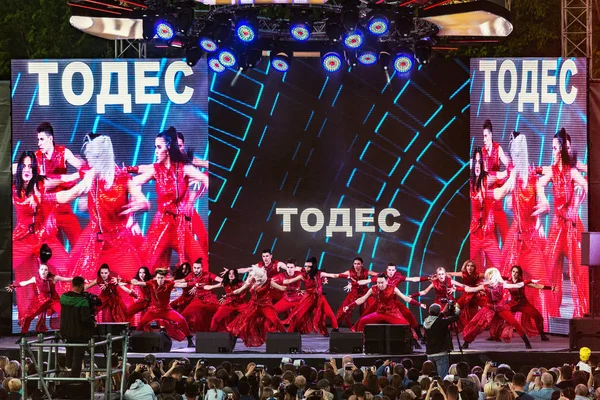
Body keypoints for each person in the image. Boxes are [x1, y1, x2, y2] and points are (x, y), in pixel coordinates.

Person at [12, 151, 89, 320]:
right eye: (23, 166)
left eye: (30, 166)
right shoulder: (14, 188)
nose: (27, 169)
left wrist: (84, 175)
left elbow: (64, 181)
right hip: (22, 239)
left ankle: (72, 314)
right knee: (22, 279)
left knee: (67, 268)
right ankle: (26, 323)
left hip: (43, 238)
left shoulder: (42, 184)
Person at [69, 133, 148, 280]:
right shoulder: (89, 176)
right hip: (97, 234)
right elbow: (81, 206)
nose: (89, 159)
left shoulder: (123, 178)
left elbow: (143, 202)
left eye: (92, 154)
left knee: (136, 284)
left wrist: (138, 207)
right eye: (88, 155)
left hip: (119, 238)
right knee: (80, 273)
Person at [132, 127, 209, 271]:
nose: (155, 151)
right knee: (144, 266)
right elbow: (134, 182)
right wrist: (135, 208)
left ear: (168, 148)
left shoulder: (184, 168)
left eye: (158, 147)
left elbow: (205, 179)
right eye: (155, 147)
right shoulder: (156, 169)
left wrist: (192, 198)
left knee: (201, 262)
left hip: (180, 224)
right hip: (161, 224)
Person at [494, 132, 550, 328]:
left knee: (540, 285)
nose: (515, 157)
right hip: (517, 242)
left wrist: (540, 210)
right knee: (509, 284)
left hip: (531, 241)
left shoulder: (533, 179)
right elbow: (498, 194)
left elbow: (545, 204)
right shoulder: (514, 177)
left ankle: (542, 327)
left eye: (518, 154)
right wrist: (483, 181)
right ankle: (510, 325)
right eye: (514, 154)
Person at [537, 128, 589, 318]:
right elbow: (539, 183)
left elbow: (585, 184)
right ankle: (549, 313)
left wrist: (576, 203)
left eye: (555, 148)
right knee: (549, 267)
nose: (553, 151)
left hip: (572, 225)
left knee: (579, 269)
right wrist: (543, 200)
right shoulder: (552, 170)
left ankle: (582, 313)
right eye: (552, 147)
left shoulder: (573, 170)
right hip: (557, 226)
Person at [6, 244, 72, 338]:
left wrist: (81, 280)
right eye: (42, 269)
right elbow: (24, 283)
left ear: (48, 271)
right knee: (28, 317)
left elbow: (68, 279)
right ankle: (22, 336)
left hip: (53, 301)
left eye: (45, 270)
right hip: (40, 301)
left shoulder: (54, 278)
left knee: (64, 312)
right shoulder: (35, 278)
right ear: (39, 270)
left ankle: (64, 333)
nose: (43, 272)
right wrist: (14, 285)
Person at [34, 122, 84, 246]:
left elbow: (83, 169)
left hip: (62, 204)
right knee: (53, 246)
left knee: (78, 239)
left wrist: (68, 178)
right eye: (38, 140)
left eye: (41, 139)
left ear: (50, 138)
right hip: (46, 207)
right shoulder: (36, 156)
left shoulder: (63, 152)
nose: (38, 143)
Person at [355, 263, 429, 343]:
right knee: (364, 316)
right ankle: (360, 340)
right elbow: (366, 281)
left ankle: (417, 337)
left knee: (408, 314)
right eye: (389, 270)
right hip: (380, 303)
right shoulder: (380, 278)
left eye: (393, 270)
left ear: (395, 270)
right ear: (387, 270)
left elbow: (413, 279)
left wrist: (427, 278)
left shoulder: (397, 278)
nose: (391, 272)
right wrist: (354, 283)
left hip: (393, 303)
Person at [461, 268, 531, 349]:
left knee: (514, 322)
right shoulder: (485, 286)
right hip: (489, 307)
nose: (488, 277)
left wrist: (530, 281)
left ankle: (526, 341)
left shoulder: (502, 284)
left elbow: (517, 285)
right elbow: (471, 289)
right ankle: (466, 342)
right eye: (488, 276)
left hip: (500, 307)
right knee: (477, 323)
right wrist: (460, 288)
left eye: (490, 275)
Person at [130, 268, 195, 347]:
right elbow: (138, 283)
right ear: (156, 277)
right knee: (141, 324)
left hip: (166, 310)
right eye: (158, 278)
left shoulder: (169, 283)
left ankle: (189, 340)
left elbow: (180, 284)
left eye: (161, 278)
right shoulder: (151, 283)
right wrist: (129, 280)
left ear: (164, 278)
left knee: (182, 320)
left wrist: (195, 284)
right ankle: (134, 343)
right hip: (153, 311)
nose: (159, 280)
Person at [227, 266, 288, 347]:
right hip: (253, 305)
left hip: (265, 305)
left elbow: (282, 288)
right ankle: (230, 342)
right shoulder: (251, 280)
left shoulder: (268, 281)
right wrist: (228, 295)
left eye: (260, 279)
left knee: (275, 320)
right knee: (242, 321)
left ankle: (287, 337)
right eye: (257, 278)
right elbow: (239, 290)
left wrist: (295, 289)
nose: (259, 280)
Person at [347, 273, 426, 332]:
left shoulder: (393, 288)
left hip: (392, 313)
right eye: (378, 282)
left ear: (386, 281)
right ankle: (362, 342)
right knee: (362, 321)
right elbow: (362, 299)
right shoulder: (373, 289)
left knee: (406, 325)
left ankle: (413, 341)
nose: (380, 285)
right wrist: (349, 306)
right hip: (379, 313)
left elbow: (405, 298)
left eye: (382, 283)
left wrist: (419, 304)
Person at [285, 257, 343, 336]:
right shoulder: (303, 275)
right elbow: (289, 279)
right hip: (308, 298)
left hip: (319, 298)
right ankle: (292, 331)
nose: (307, 268)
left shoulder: (319, 274)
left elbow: (334, 275)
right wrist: (272, 281)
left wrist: (346, 276)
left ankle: (335, 329)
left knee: (328, 313)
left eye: (309, 266)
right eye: (305, 266)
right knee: (298, 314)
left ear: (313, 267)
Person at [469, 147, 501, 270]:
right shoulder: (470, 183)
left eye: (479, 162)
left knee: (500, 265)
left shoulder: (487, 179)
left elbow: (502, 175)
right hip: (475, 233)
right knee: (470, 267)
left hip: (488, 234)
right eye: (475, 162)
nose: (477, 165)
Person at [59, 276, 96, 378]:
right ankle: (74, 380)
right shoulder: (83, 301)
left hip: (66, 333)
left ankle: (67, 379)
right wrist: (93, 323)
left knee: (69, 357)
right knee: (77, 358)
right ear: (81, 286)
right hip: (79, 335)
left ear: (72, 285)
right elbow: (85, 319)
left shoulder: (63, 298)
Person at [480, 119, 510, 244]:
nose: (484, 139)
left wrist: (501, 175)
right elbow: (482, 174)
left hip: (497, 197)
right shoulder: (481, 152)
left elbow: (509, 165)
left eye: (486, 136)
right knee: (490, 237)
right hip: (487, 197)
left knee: (505, 234)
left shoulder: (498, 149)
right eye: (483, 136)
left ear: (491, 135)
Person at [335, 257, 379, 328]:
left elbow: (379, 275)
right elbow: (338, 275)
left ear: (362, 264)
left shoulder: (366, 271)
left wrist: (389, 275)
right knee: (345, 308)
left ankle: (366, 327)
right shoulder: (350, 272)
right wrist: (324, 277)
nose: (356, 266)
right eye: (355, 264)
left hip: (365, 292)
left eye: (358, 264)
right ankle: (336, 326)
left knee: (369, 308)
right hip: (354, 292)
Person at [180, 258, 222, 332]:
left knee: (221, 314)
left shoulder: (208, 274)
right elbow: (181, 281)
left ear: (202, 268)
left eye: (198, 268)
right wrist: (167, 281)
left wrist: (212, 286)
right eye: (195, 268)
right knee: (184, 314)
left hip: (210, 299)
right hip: (198, 300)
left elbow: (222, 281)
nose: (196, 270)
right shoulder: (191, 275)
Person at [423, 302, 461, 382]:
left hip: (430, 354)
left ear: (429, 312)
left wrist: (443, 312)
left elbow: (436, 320)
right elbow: (455, 317)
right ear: (438, 312)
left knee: (430, 379)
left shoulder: (426, 321)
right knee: (442, 379)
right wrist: (457, 309)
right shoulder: (441, 322)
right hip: (441, 354)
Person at [447, 260, 486, 330]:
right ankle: (457, 325)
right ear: (466, 267)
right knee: (456, 308)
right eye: (468, 266)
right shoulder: (463, 274)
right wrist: (451, 282)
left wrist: (483, 284)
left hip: (475, 294)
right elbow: (448, 274)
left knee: (475, 312)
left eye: (472, 266)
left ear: (474, 267)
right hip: (467, 293)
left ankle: (474, 326)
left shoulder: (478, 275)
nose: (470, 268)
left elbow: (491, 276)